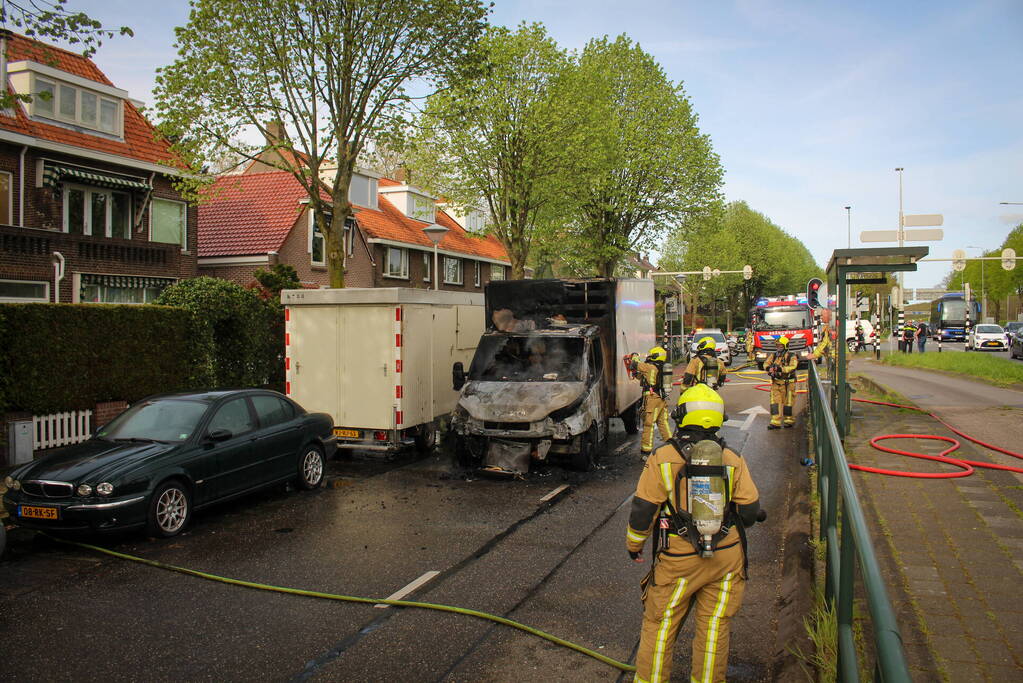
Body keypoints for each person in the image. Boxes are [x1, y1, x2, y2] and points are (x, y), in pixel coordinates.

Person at [626, 384, 764, 683]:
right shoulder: (732, 458)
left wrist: (634, 545)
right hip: (727, 560)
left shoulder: (663, 457)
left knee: (660, 626)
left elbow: (643, 509)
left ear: (680, 416)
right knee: (714, 627)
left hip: (679, 560)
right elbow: (750, 513)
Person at [629, 346, 672, 457]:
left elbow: (634, 364)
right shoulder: (661, 367)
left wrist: (635, 356)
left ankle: (646, 452)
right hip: (661, 398)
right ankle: (671, 446)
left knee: (649, 425)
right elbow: (644, 379)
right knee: (663, 423)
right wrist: (636, 374)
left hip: (652, 399)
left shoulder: (650, 367)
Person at [765, 335, 799, 429]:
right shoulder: (774, 355)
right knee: (774, 402)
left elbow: (792, 367)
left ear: (785, 346)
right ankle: (775, 422)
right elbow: (766, 363)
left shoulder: (792, 356)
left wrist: (780, 369)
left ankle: (789, 420)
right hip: (776, 383)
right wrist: (769, 368)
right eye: (777, 346)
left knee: (788, 403)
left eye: (780, 346)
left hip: (788, 384)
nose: (778, 348)